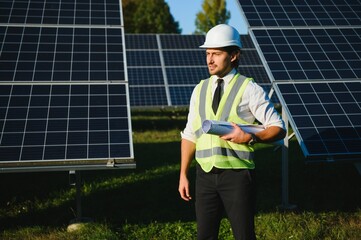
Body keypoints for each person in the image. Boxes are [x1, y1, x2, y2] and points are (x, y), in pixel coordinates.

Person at [178, 24, 286, 240]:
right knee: (204, 236)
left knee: (244, 236)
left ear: (234, 55)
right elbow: (190, 135)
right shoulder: (199, 89)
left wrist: (251, 137)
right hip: (204, 177)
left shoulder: (249, 88)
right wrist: (183, 174)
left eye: (216, 54)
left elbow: (279, 129)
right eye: (208, 53)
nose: (209, 59)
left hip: (237, 176)